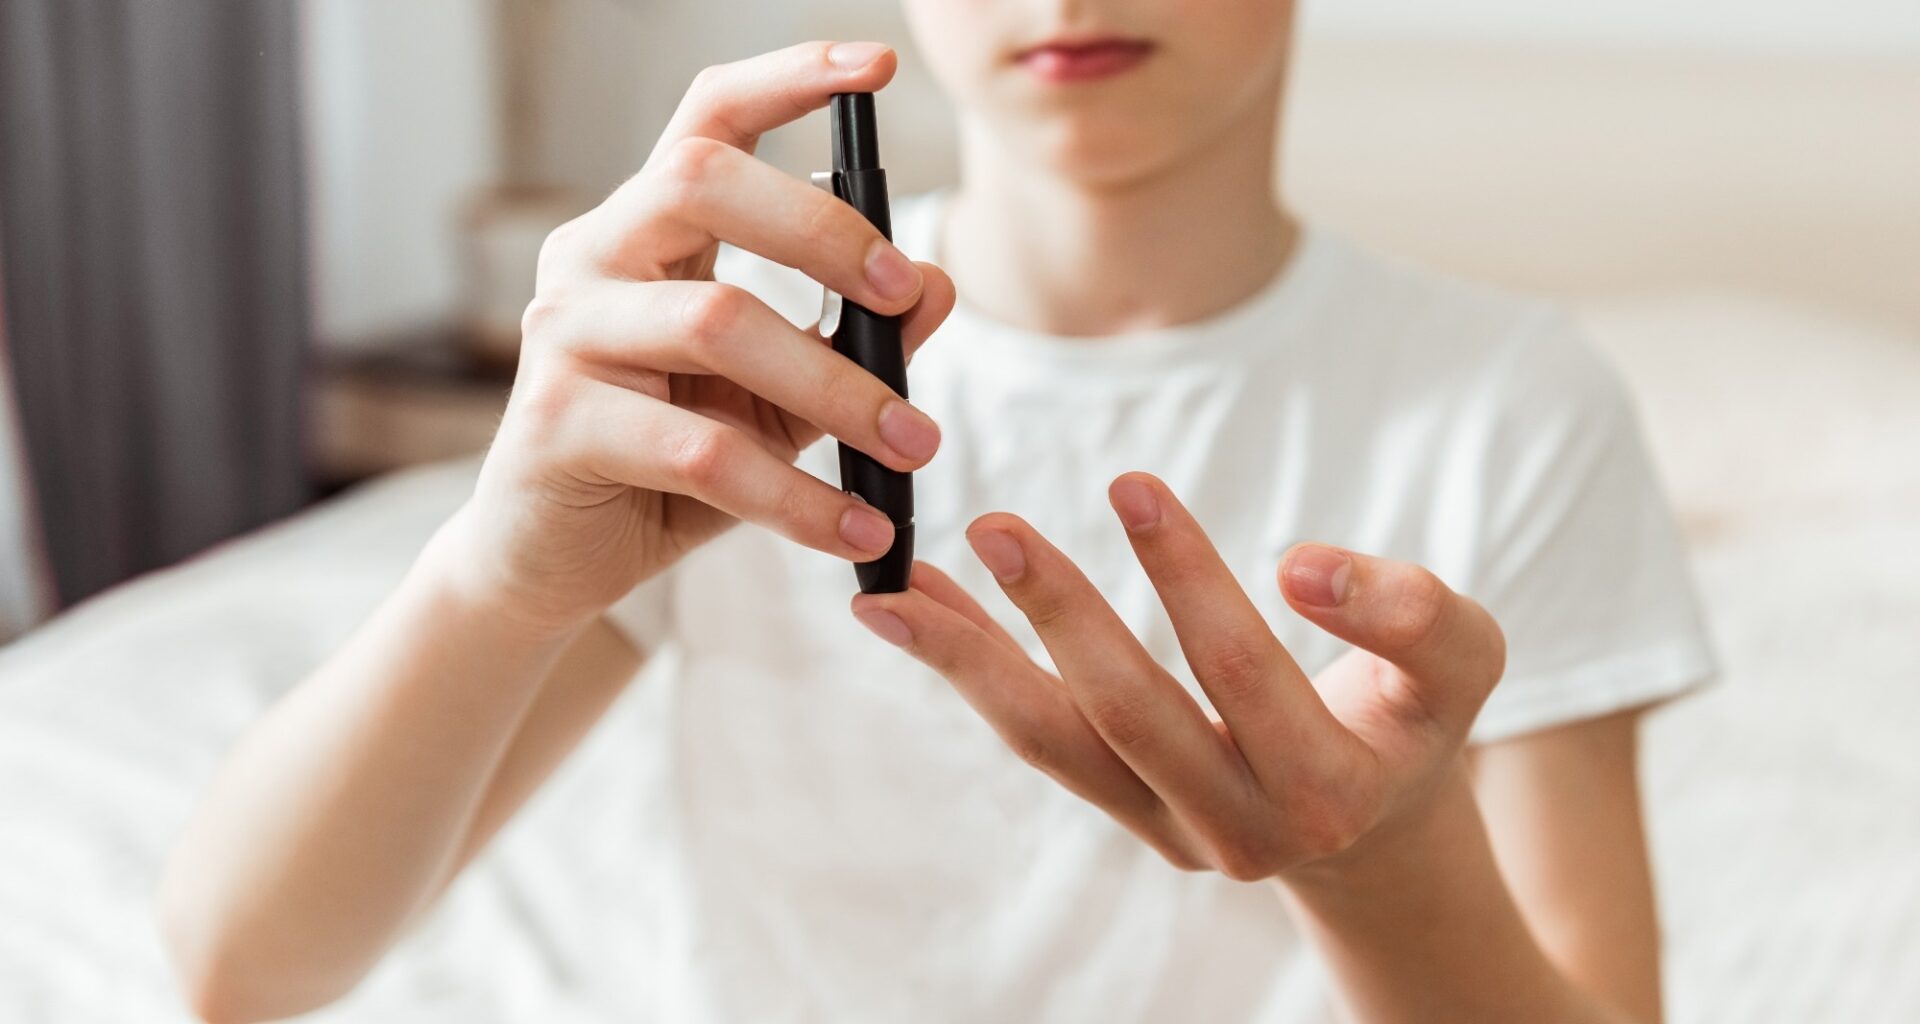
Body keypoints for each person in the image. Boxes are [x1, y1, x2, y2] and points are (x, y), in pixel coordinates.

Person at [158, 4, 1716, 1021]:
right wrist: (495, 577)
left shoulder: (1512, 405)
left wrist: (1382, 868)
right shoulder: (732, 374)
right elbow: (241, 968)